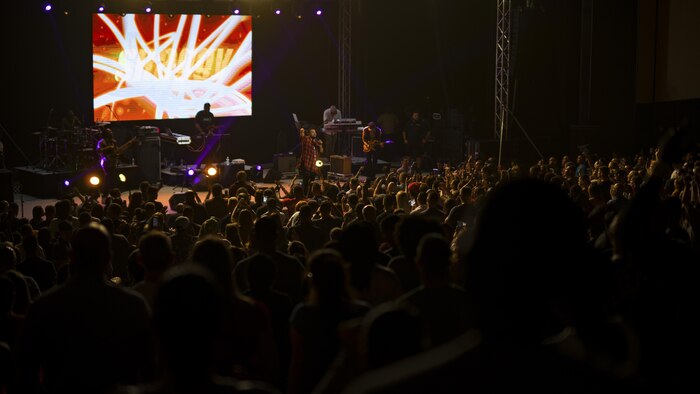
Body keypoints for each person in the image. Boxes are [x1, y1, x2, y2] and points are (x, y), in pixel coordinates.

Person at [297, 128, 322, 197]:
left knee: (312, 182)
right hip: (306, 165)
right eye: (312, 132)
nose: (314, 133)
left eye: (315, 132)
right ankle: (304, 195)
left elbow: (321, 151)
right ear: (309, 134)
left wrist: (320, 145)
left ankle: (310, 195)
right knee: (305, 182)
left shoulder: (316, 142)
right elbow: (302, 136)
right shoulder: (306, 139)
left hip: (313, 166)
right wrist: (302, 131)